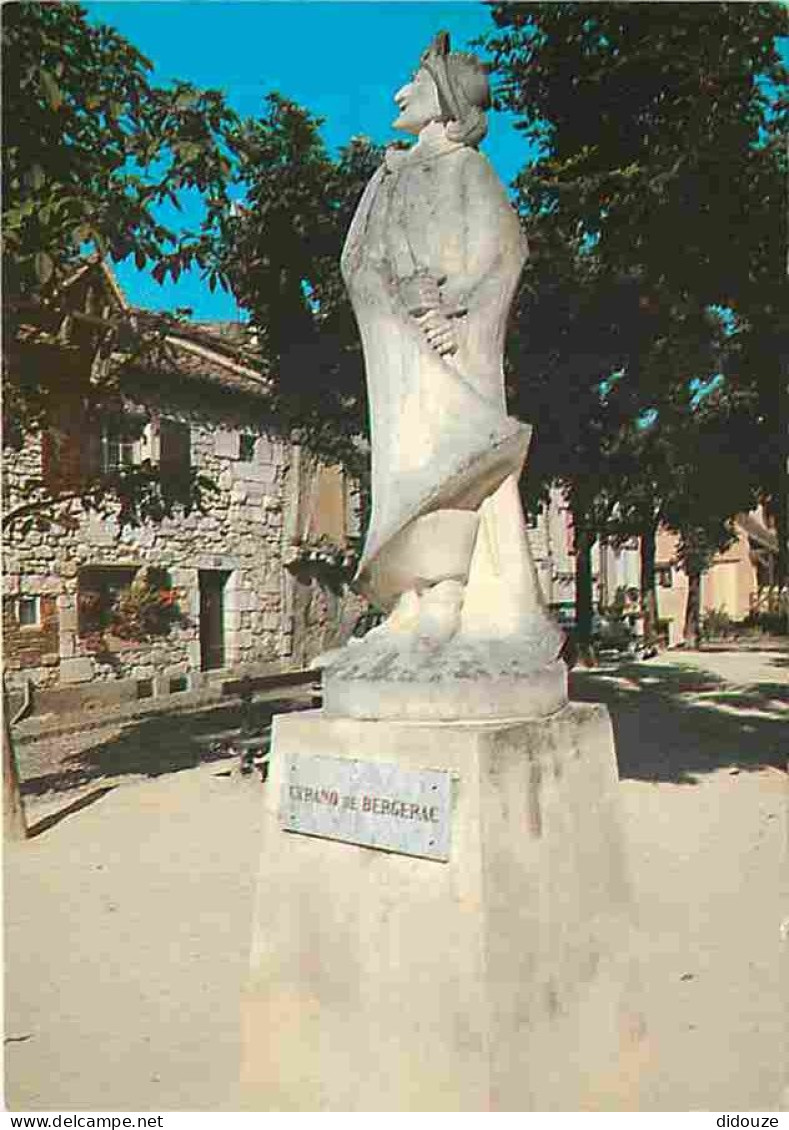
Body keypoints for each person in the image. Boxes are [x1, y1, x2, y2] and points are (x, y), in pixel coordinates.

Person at [333, 32, 564, 717]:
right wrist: (394, 295)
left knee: (451, 466)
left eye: (414, 83)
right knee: (403, 470)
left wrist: (454, 307)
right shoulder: (387, 175)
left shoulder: (468, 171)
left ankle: (449, 599)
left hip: (450, 354)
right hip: (396, 353)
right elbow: (354, 260)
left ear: (447, 102)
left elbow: (504, 254)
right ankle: (407, 603)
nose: (399, 94)